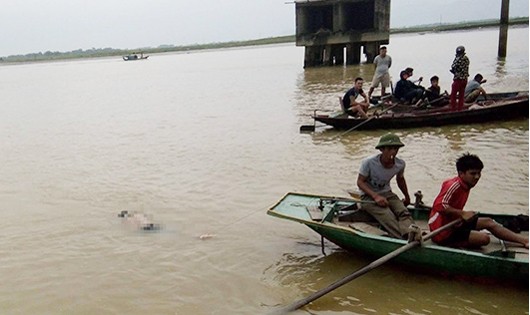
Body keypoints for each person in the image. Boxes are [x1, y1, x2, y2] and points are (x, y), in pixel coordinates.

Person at [428, 153, 528, 248]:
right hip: (441, 232)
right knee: (484, 239)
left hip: (454, 223)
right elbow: (439, 205)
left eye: (479, 173)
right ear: (461, 173)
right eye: (472, 173)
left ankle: (525, 241)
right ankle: (453, 243)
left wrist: (460, 215)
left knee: (489, 222)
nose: (477, 177)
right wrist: (462, 213)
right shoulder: (454, 185)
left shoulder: (466, 185)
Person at [357, 133, 415, 239]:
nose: (393, 152)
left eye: (396, 149)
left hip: (387, 193)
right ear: (382, 149)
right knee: (388, 216)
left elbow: (400, 179)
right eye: (389, 149)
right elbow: (360, 182)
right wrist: (375, 196)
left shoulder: (400, 164)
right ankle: (402, 238)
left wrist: (407, 197)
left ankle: (409, 233)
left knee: (403, 212)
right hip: (368, 196)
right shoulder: (369, 162)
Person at [449, 45, 470, 111]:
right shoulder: (466, 59)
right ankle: (460, 109)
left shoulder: (458, 59)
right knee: (461, 95)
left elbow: (453, 67)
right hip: (465, 79)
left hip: (458, 80)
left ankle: (453, 109)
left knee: (453, 95)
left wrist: (454, 71)